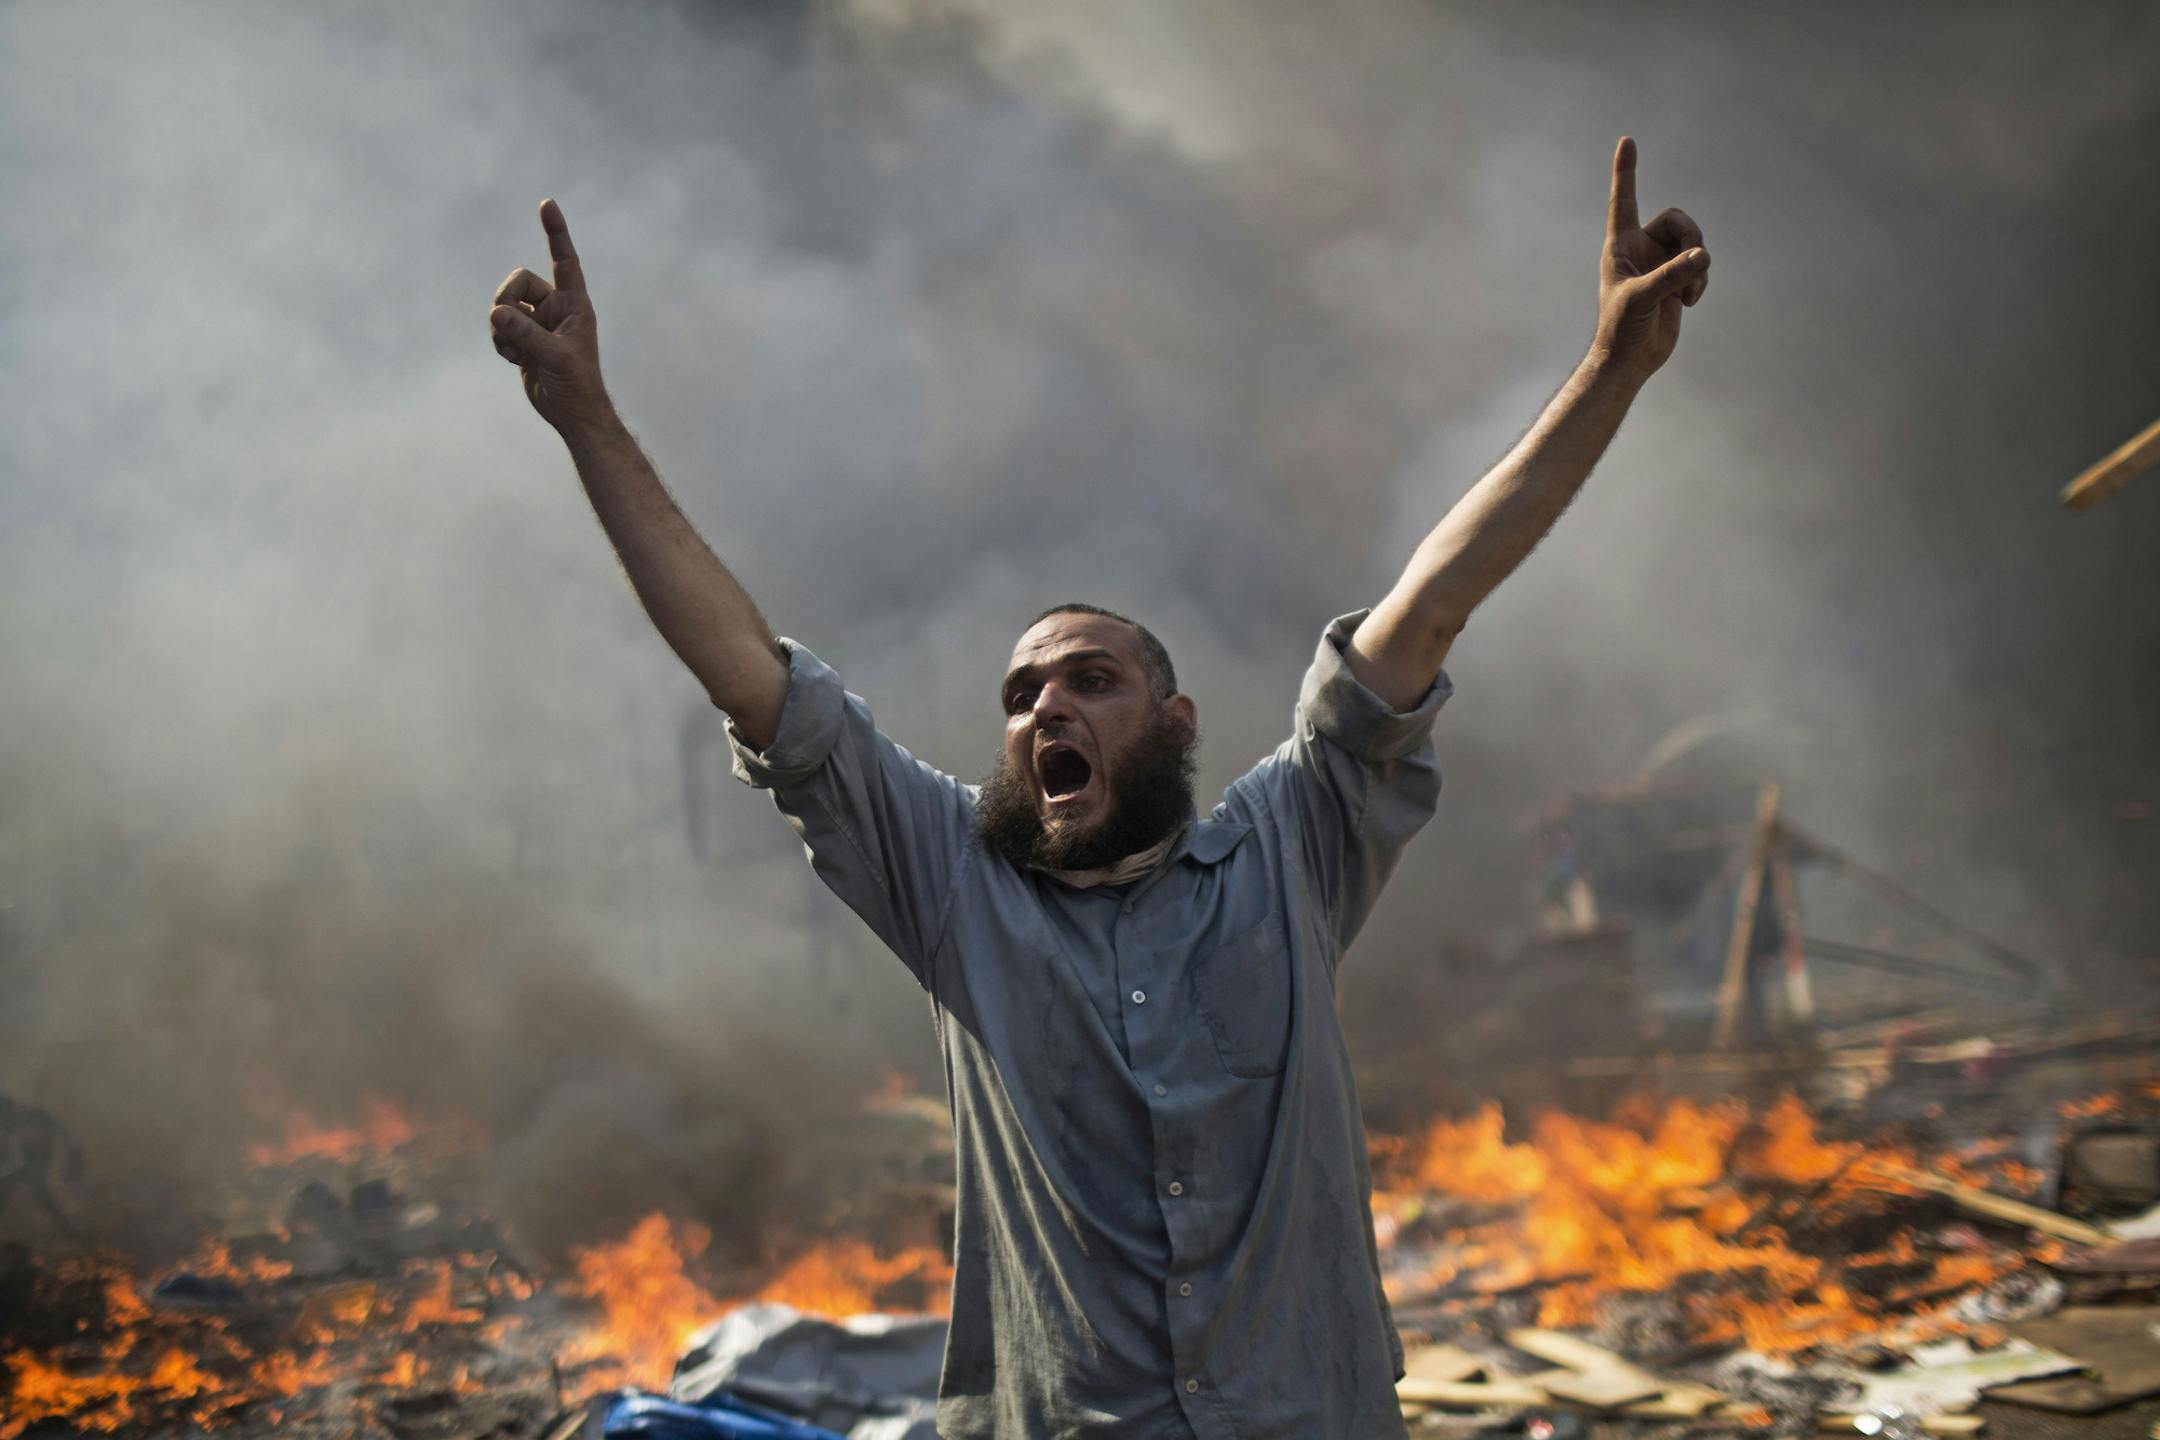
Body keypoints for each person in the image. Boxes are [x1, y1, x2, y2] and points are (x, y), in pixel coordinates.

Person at [490, 135, 1707, 1440]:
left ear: (1174, 722)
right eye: (1020, 695)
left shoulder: (1291, 846)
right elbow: (748, 673)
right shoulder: (956, 884)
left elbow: (1436, 600)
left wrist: (1610, 372)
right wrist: (587, 419)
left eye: (1088, 680)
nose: (1043, 708)